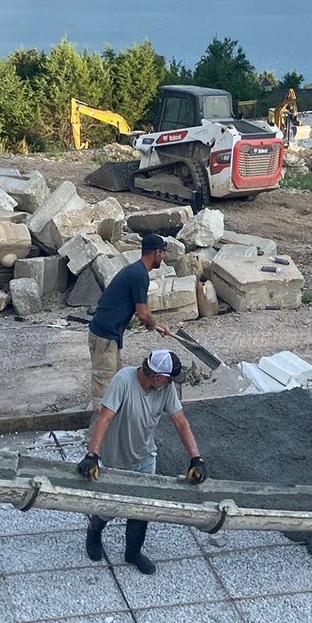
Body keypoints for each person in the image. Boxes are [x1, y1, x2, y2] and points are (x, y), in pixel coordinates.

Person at [78, 348, 206, 575]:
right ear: (158, 377)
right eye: (170, 379)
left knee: (142, 508)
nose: (172, 383)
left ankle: (133, 552)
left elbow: (180, 422)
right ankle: (94, 532)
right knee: (111, 508)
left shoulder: (165, 389)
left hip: (146, 456)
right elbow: (104, 418)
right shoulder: (123, 381)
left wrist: (196, 458)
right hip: (117, 458)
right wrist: (92, 455)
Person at [86, 232, 173, 404]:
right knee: (104, 390)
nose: (163, 257)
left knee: (115, 383)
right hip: (104, 335)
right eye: (162, 253)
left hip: (108, 335)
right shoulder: (139, 275)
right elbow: (143, 313)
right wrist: (152, 324)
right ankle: (98, 421)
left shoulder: (135, 271)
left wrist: (155, 325)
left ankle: (115, 419)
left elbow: (141, 311)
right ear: (157, 253)